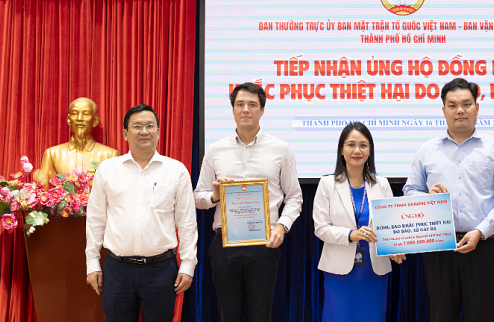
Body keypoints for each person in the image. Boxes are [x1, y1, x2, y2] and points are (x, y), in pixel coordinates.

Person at [403, 77, 494, 322]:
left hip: (483, 246)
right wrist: (426, 197)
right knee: (441, 316)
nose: (460, 110)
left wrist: (480, 231)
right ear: (443, 110)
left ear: (477, 107)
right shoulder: (426, 150)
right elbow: (410, 190)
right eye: (452, 105)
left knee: (482, 316)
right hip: (439, 246)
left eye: (466, 104)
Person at [194, 82, 303, 322]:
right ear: (232, 109)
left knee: (260, 314)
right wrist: (214, 196)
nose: (246, 109)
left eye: (252, 104)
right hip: (225, 242)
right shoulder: (215, 150)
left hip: (264, 244)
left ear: (262, 110)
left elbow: (295, 196)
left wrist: (282, 226)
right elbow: (198, 197)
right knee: (228, 314)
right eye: (240, 104)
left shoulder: (281, 149)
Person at [85, 104, 197, 322]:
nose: (144, 131)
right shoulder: (108, 169)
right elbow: (96, 219)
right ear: (125, 133)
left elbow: (187, 222)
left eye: (149, 126)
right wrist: (92, 262)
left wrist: (188, 264)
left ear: (158, 131)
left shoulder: (176, 170)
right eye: (137, 126)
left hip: (161, 271)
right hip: (117, 270)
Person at [313, 122, 405, 322]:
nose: (357, 150)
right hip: (339, 271)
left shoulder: (382, 184)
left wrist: (394, 248)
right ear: (341, 150)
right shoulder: (327, 184)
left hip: (374, 271)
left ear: (370, 150)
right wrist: (350, 235)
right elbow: (321, 228)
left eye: (363, 145)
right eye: (351, 145)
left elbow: (391, 227)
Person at [38, 97, 118, 188]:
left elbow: (115, 192)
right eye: (75, 114)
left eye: (86, 114)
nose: (79, 118)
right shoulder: (52, 154)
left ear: (95, 120)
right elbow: (44, 192)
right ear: (69, 119)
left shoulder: (110, 155)